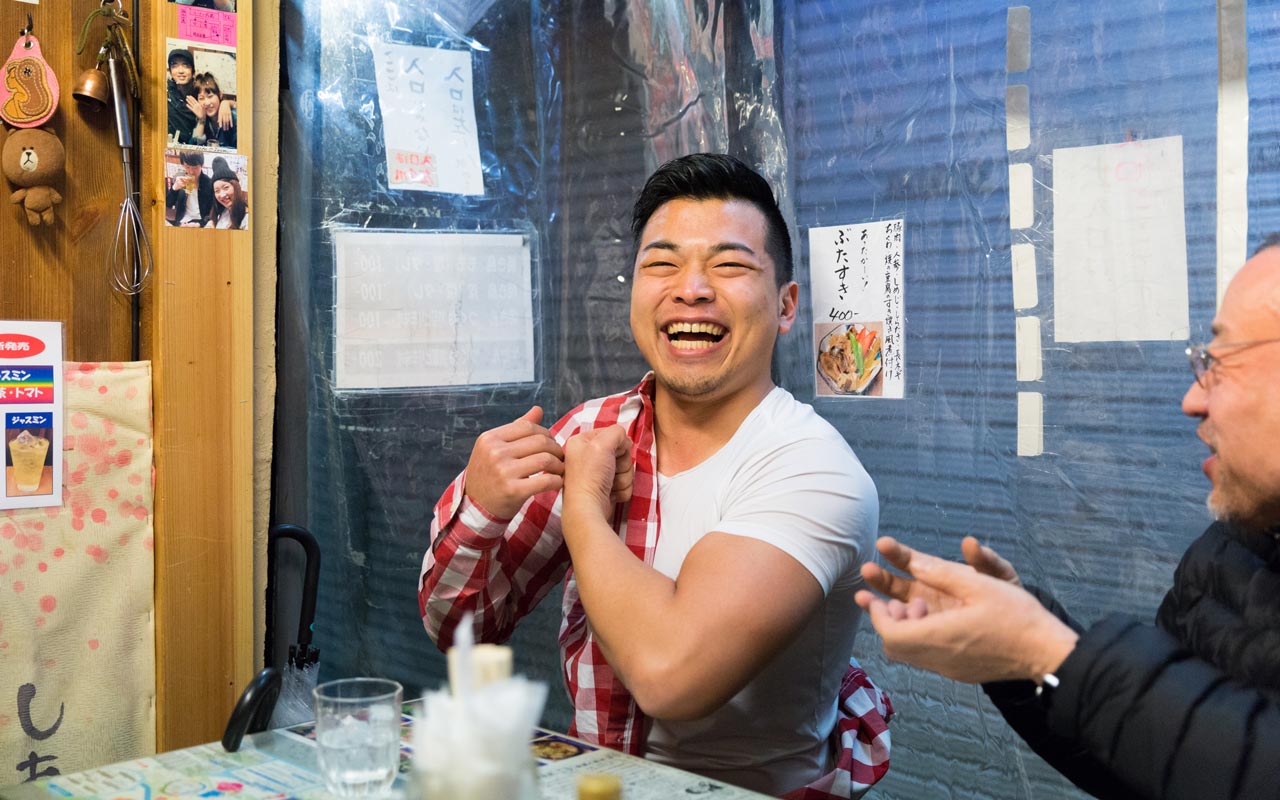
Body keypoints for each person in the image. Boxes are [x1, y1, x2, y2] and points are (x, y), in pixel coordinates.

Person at [419, 154, 888, 797]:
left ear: (786, 305)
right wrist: (481, 504)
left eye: (728, 265)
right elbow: (461, 629)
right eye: (661, 264)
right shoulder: (596, 431)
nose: (690, 288)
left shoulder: (813, 467)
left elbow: (673, 675)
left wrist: (583, 505)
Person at [854, 241, 1280, 799]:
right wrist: (1017, 658)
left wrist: (1044, 648)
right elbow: (1153, 760)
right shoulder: (1225, 558)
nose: (1191, 400)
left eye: (1218, 362)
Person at [189, 72, 237, 150]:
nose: (207, 103)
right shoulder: (202, 117)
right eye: (201, 98)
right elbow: (193, 150)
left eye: (210, 96)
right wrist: (201, 121)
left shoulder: (233, 117)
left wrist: (227, 102)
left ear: (220, 95)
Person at [165, 150, 212, 228]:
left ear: (202, 165)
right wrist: (174, 188)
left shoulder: (209, 183)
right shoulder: (179, 179)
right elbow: (168, 204)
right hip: (181, 222)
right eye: (187, 167)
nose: (191, 172)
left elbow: (212, 212)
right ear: (183, 165)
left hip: (200, 223)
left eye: (195, 168)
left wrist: (199, 224)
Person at [166, 48, 198, 145]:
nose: (180, 71)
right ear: (170, 72)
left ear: (193, 71)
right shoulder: (165, 93)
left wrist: (226, 103)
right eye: (174, 66)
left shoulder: (200, 92)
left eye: (185, 66)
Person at [209, 158, 248, 230]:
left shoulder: (247, 218)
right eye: (217, 191)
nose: (222, 195)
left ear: (236, 186)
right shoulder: (224, 210)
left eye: (226, 188)